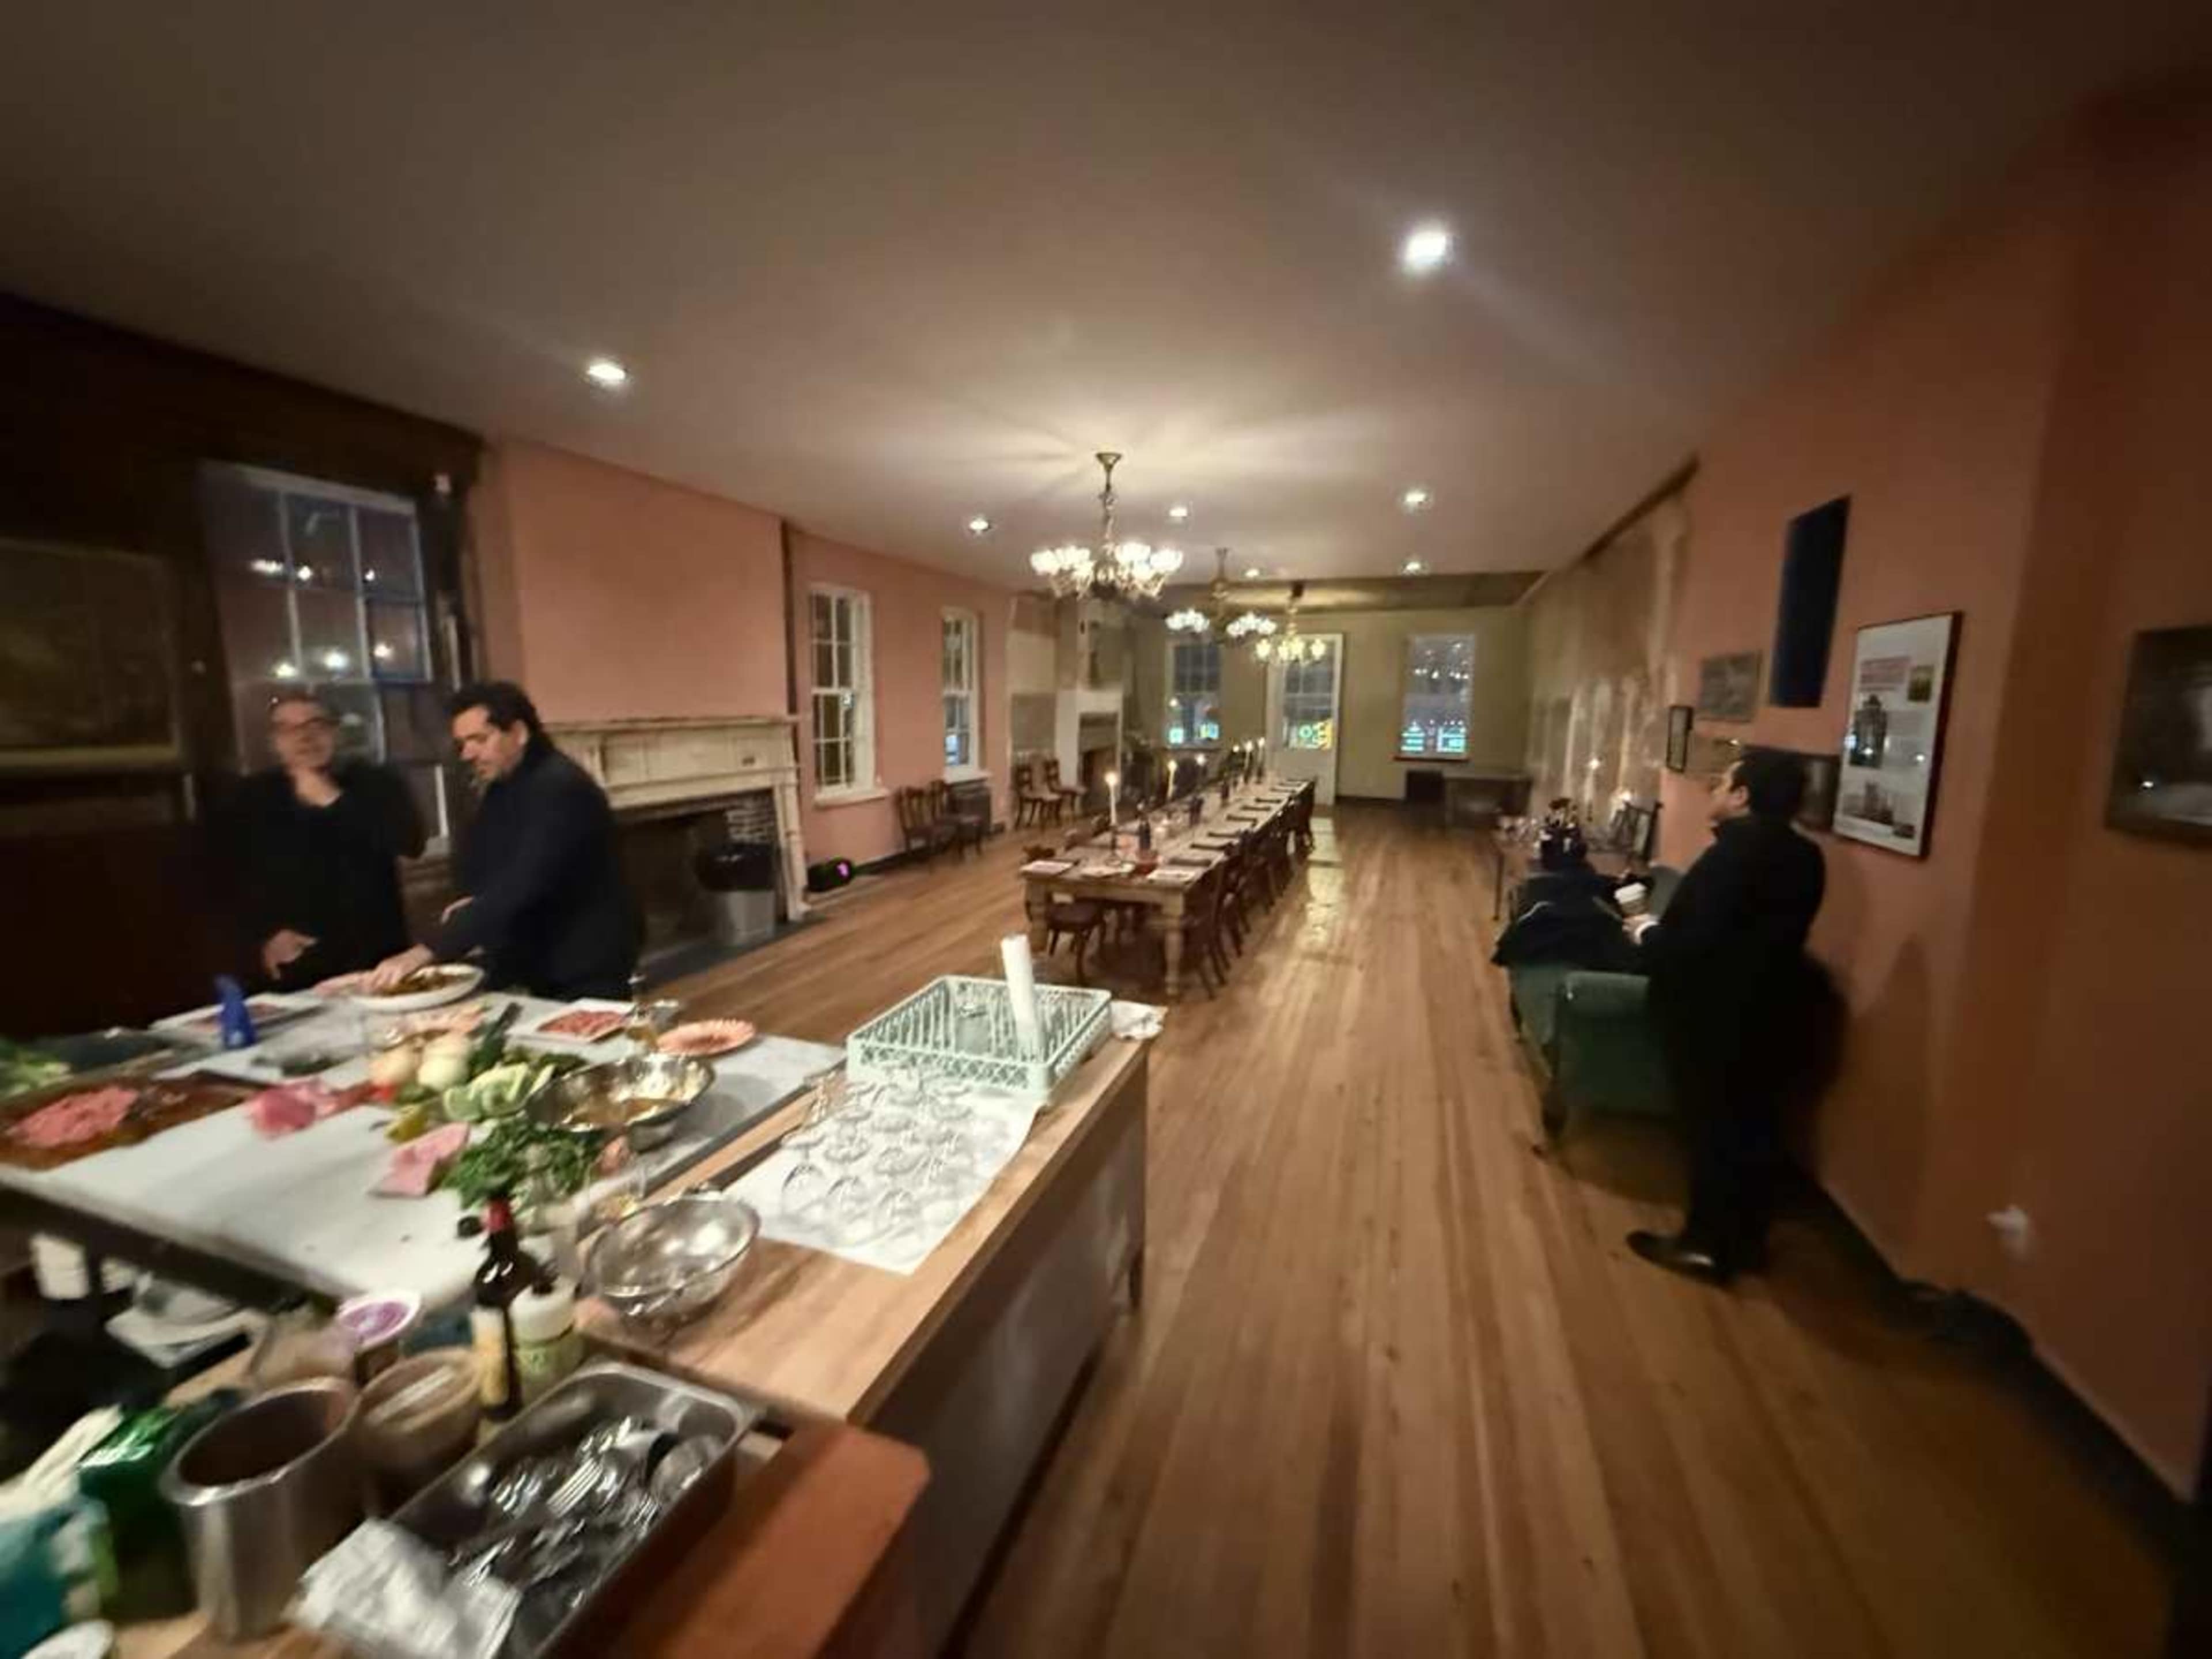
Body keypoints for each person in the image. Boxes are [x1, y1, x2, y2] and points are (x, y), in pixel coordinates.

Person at [1623, 750, 1825, 1284]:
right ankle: (1747, 1239)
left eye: (1723, 784)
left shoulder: (1733, 857)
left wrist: (1645, 932)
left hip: (1712, 1014)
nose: (1714, 791)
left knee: (1710, 1128)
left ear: (1742, 796)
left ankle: (1705, 1245)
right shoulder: (1806, 857)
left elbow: (1696, 946)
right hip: (1772, 1011)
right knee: (1751, 1126)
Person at [369, 681, 637, 999]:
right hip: (539, 958)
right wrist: (475, 902)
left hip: (583, 963)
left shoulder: (560, 787)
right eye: (463, 743)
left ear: (519, 733)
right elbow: (495, 860)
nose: (468, 753)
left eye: (479, 740)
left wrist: (429, 949)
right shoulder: (506, 783)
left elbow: (527, 880)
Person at [224, 691, 425, 988]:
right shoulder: (253, 796)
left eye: (316, 724)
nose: (305, 737)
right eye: (289, 729)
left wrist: (333, 800)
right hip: (296, 962)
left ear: (335, 732)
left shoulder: (377, 782)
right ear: (274, 741)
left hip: (376, 955)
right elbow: (231, 878)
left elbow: (411, 844)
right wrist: (265, 935)